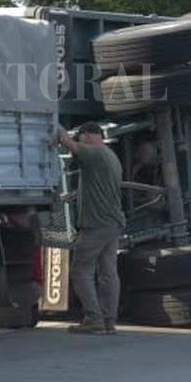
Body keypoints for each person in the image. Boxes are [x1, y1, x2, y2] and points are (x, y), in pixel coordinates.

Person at [54, 122, 126, 335]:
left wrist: (56, 126)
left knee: (81, 271)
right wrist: (77, 196)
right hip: (112, 223)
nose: (80, 141)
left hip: (96, 225)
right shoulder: (110, 157)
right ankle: (109, 321)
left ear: (88, 136)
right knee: (108, 273)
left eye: (81, 137)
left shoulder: (94, 153)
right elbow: (101, 186)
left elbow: (67, 142)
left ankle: (94, 319)